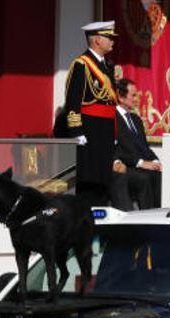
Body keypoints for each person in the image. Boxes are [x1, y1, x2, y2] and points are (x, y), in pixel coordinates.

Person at [61, 21, 119, 205]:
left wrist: (114, 132)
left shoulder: (107, 66)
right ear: (96, 40)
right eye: (109, 37)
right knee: (89, 181)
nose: (112, 41)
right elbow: (72, 100)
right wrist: (77, 131)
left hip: (105, 130)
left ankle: (98, 228)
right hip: (90, 129)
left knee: (103, 181)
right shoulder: (81, 65)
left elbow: (110, 103)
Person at [111, 78, 161, 210]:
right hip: (125, 165)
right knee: (144, 178)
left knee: (159, 175)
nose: (136, 99)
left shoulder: (136, 119)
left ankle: (157, 215)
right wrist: (140, 162)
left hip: (138, 164)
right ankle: (146, 217)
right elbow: (117, 149)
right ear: (121, 97)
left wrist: (155, 161)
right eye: (133, 95)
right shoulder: (111, 118)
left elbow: (144, 147)